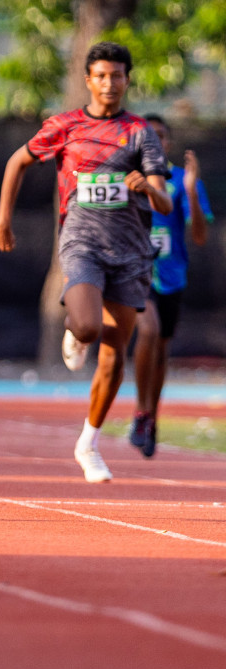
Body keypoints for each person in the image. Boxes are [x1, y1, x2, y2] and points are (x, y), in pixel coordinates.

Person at [0, 41, 171, 483]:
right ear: (89, 80)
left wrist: (147, 189)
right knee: (90, 327)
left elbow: (165, 204)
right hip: (82, 242)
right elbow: (18, 161)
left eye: (118, 76)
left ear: (128, 80)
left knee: (114, 356)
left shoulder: (139, 133)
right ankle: (76, 330)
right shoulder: (66, 126)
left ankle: (88, 443)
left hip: (131, 252)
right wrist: (3, 221)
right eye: (101, 76)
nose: (110, 83)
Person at [128, 115, 211, 457]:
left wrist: (191, 190)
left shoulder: (180, 180)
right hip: (135, 273)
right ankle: (139, 410)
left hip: (172, 276)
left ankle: (151, 416)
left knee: (161, 350)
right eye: (148, 137)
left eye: (160, 137)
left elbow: (200, 236)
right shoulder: (127, 178)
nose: (155, 143)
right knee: (148, 331)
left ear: (169, 145)